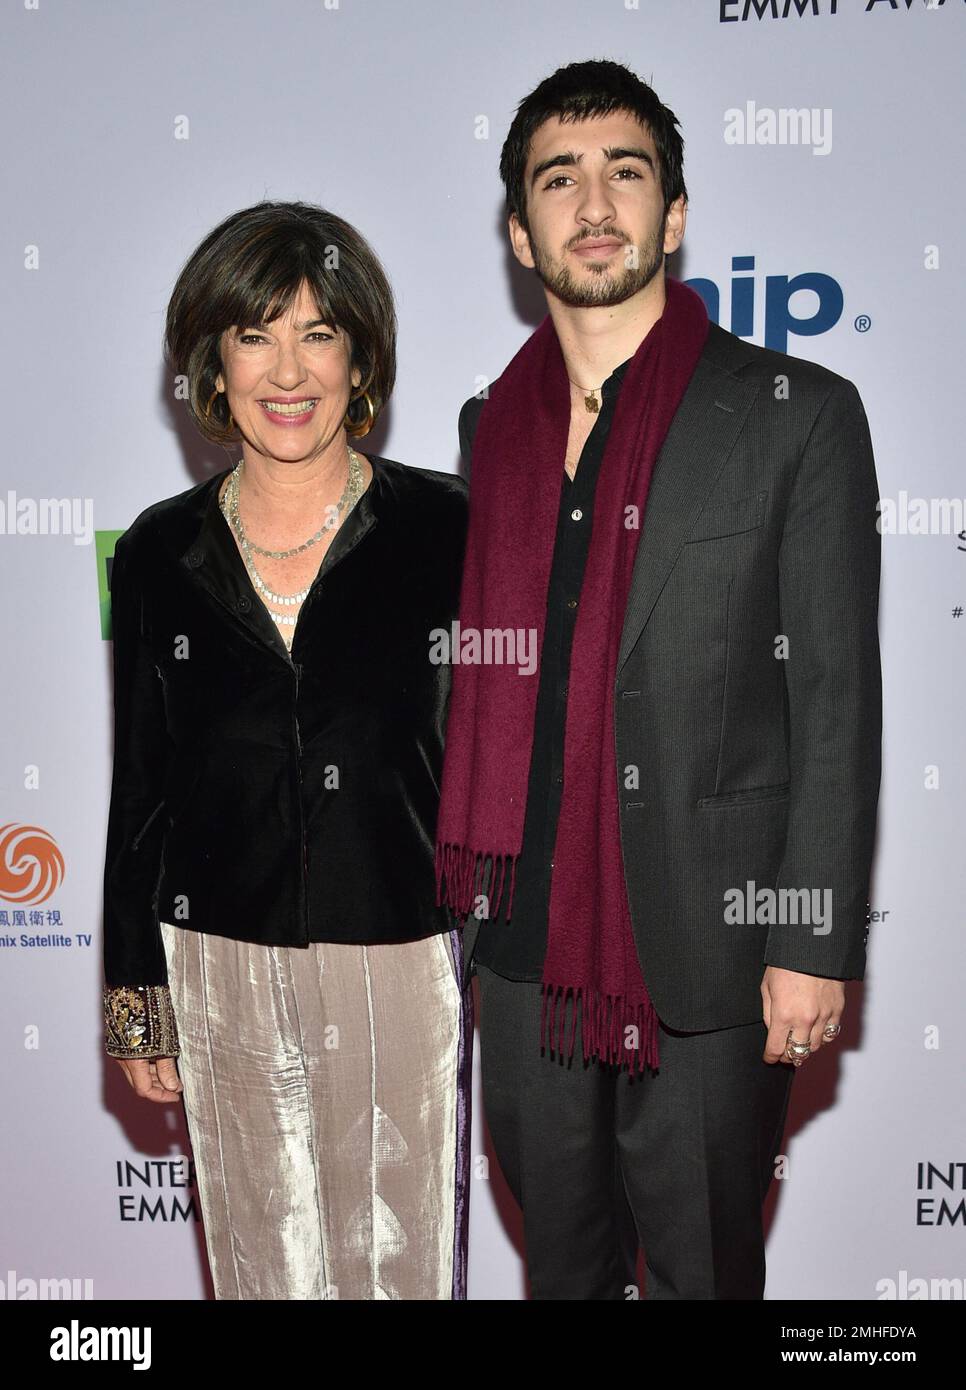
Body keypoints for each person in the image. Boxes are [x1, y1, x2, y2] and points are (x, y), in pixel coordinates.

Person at [436, 59, 881, 1299]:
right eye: (558, 178)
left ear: (673, 214)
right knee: (560, 1276)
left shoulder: (796, 412)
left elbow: (836, 701)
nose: (594, 203)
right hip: (522, 953)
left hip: (714, 948)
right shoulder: (488, 429)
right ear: (522, 232)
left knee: (701, 1273)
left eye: (625, 172)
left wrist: (809, 935)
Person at [102, 200, 472, 1300]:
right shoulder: (161, 548)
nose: (287, 367)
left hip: (403, 947)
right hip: (215, 957)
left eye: (319, 331)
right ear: (213, 362)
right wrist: (136, 996)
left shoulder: (448, 529)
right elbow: (143, 783)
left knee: (403, 1267)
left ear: (360, 356)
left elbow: (502, 766)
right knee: (262, 1271)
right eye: (255, 332)